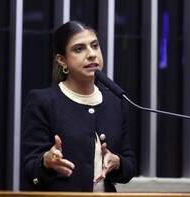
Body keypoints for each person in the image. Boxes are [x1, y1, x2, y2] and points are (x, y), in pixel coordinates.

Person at [21, 21, 135, 192]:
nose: (91, 54)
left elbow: (129, 165)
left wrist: (117, 162)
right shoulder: (43, 101)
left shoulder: (115, 102)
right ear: (62, 60)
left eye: (95, 46)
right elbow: (31, 169)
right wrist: (46, 161)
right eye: (79, 49)